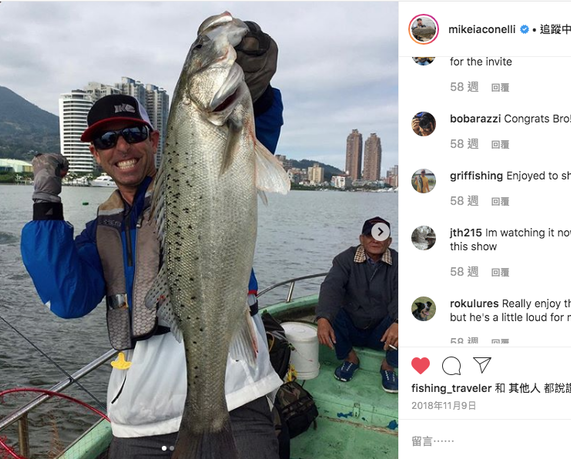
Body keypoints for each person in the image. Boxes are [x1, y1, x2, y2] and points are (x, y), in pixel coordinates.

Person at [21, 22, 283, 459]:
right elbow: (67, 300)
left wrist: (255, 76)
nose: (122, 145)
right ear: (97, 153)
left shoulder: (208, 165)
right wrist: (45, 201)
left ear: (155, 138)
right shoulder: (96, 235)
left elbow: (257, 129)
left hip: (237, 394)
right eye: (107, 139)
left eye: (133, 133)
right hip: (137, 417)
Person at [315, 217, 398, 393]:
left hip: (383, 333)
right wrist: (323, 318)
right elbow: (332, 286)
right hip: (353, 327)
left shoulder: (400, 263)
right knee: (332, 313)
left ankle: (388, 366)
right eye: (370, 235)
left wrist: (399, 322)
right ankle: (350, 358)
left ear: (389, 241)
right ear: (361, 238)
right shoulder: (344, 259)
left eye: (381, 236)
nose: (375, 240)